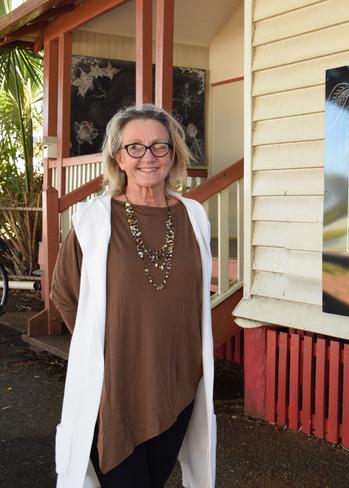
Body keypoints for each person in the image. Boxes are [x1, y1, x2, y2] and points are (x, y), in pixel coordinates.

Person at [51, 104, 216, 487]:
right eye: (135, 147)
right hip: (112, 393)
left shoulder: (195, 216)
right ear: (118, 158)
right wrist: (103, 350)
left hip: (176, 387)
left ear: (173, 154)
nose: (148, 156)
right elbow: (65, 294)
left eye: (159, 146)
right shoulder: (93, 218)